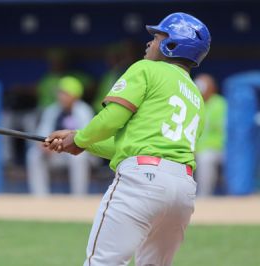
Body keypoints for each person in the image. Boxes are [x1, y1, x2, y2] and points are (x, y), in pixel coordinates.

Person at [45, 12, 211, 265]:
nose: (149, 43)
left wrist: (79, 138)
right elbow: (134, 146)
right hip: (183, 190)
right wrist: (81, 142)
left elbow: (111, 119)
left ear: (172, 44)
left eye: (156, 37)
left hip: (141, 182)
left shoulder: (146, 69)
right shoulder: (196, 97)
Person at [26, 76, 95, 196]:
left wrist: (65, 145)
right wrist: (45, 145)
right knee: (33, 155)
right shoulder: (52, 110)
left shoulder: (84, 111)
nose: (61, 96)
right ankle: (40, 197)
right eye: (60, 92)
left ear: (75, 95)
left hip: (80, 151)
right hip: (57, 152)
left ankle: (79, 197)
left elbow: (86, 138)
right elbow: (42, 133)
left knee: (78, 157)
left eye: (65, 93)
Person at [194, 73, 227, 196]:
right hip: (196, 149)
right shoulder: (195, 102)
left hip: (220, 148)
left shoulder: (220, 104)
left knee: (205, 157)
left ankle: (204, 196)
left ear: (212, 87)